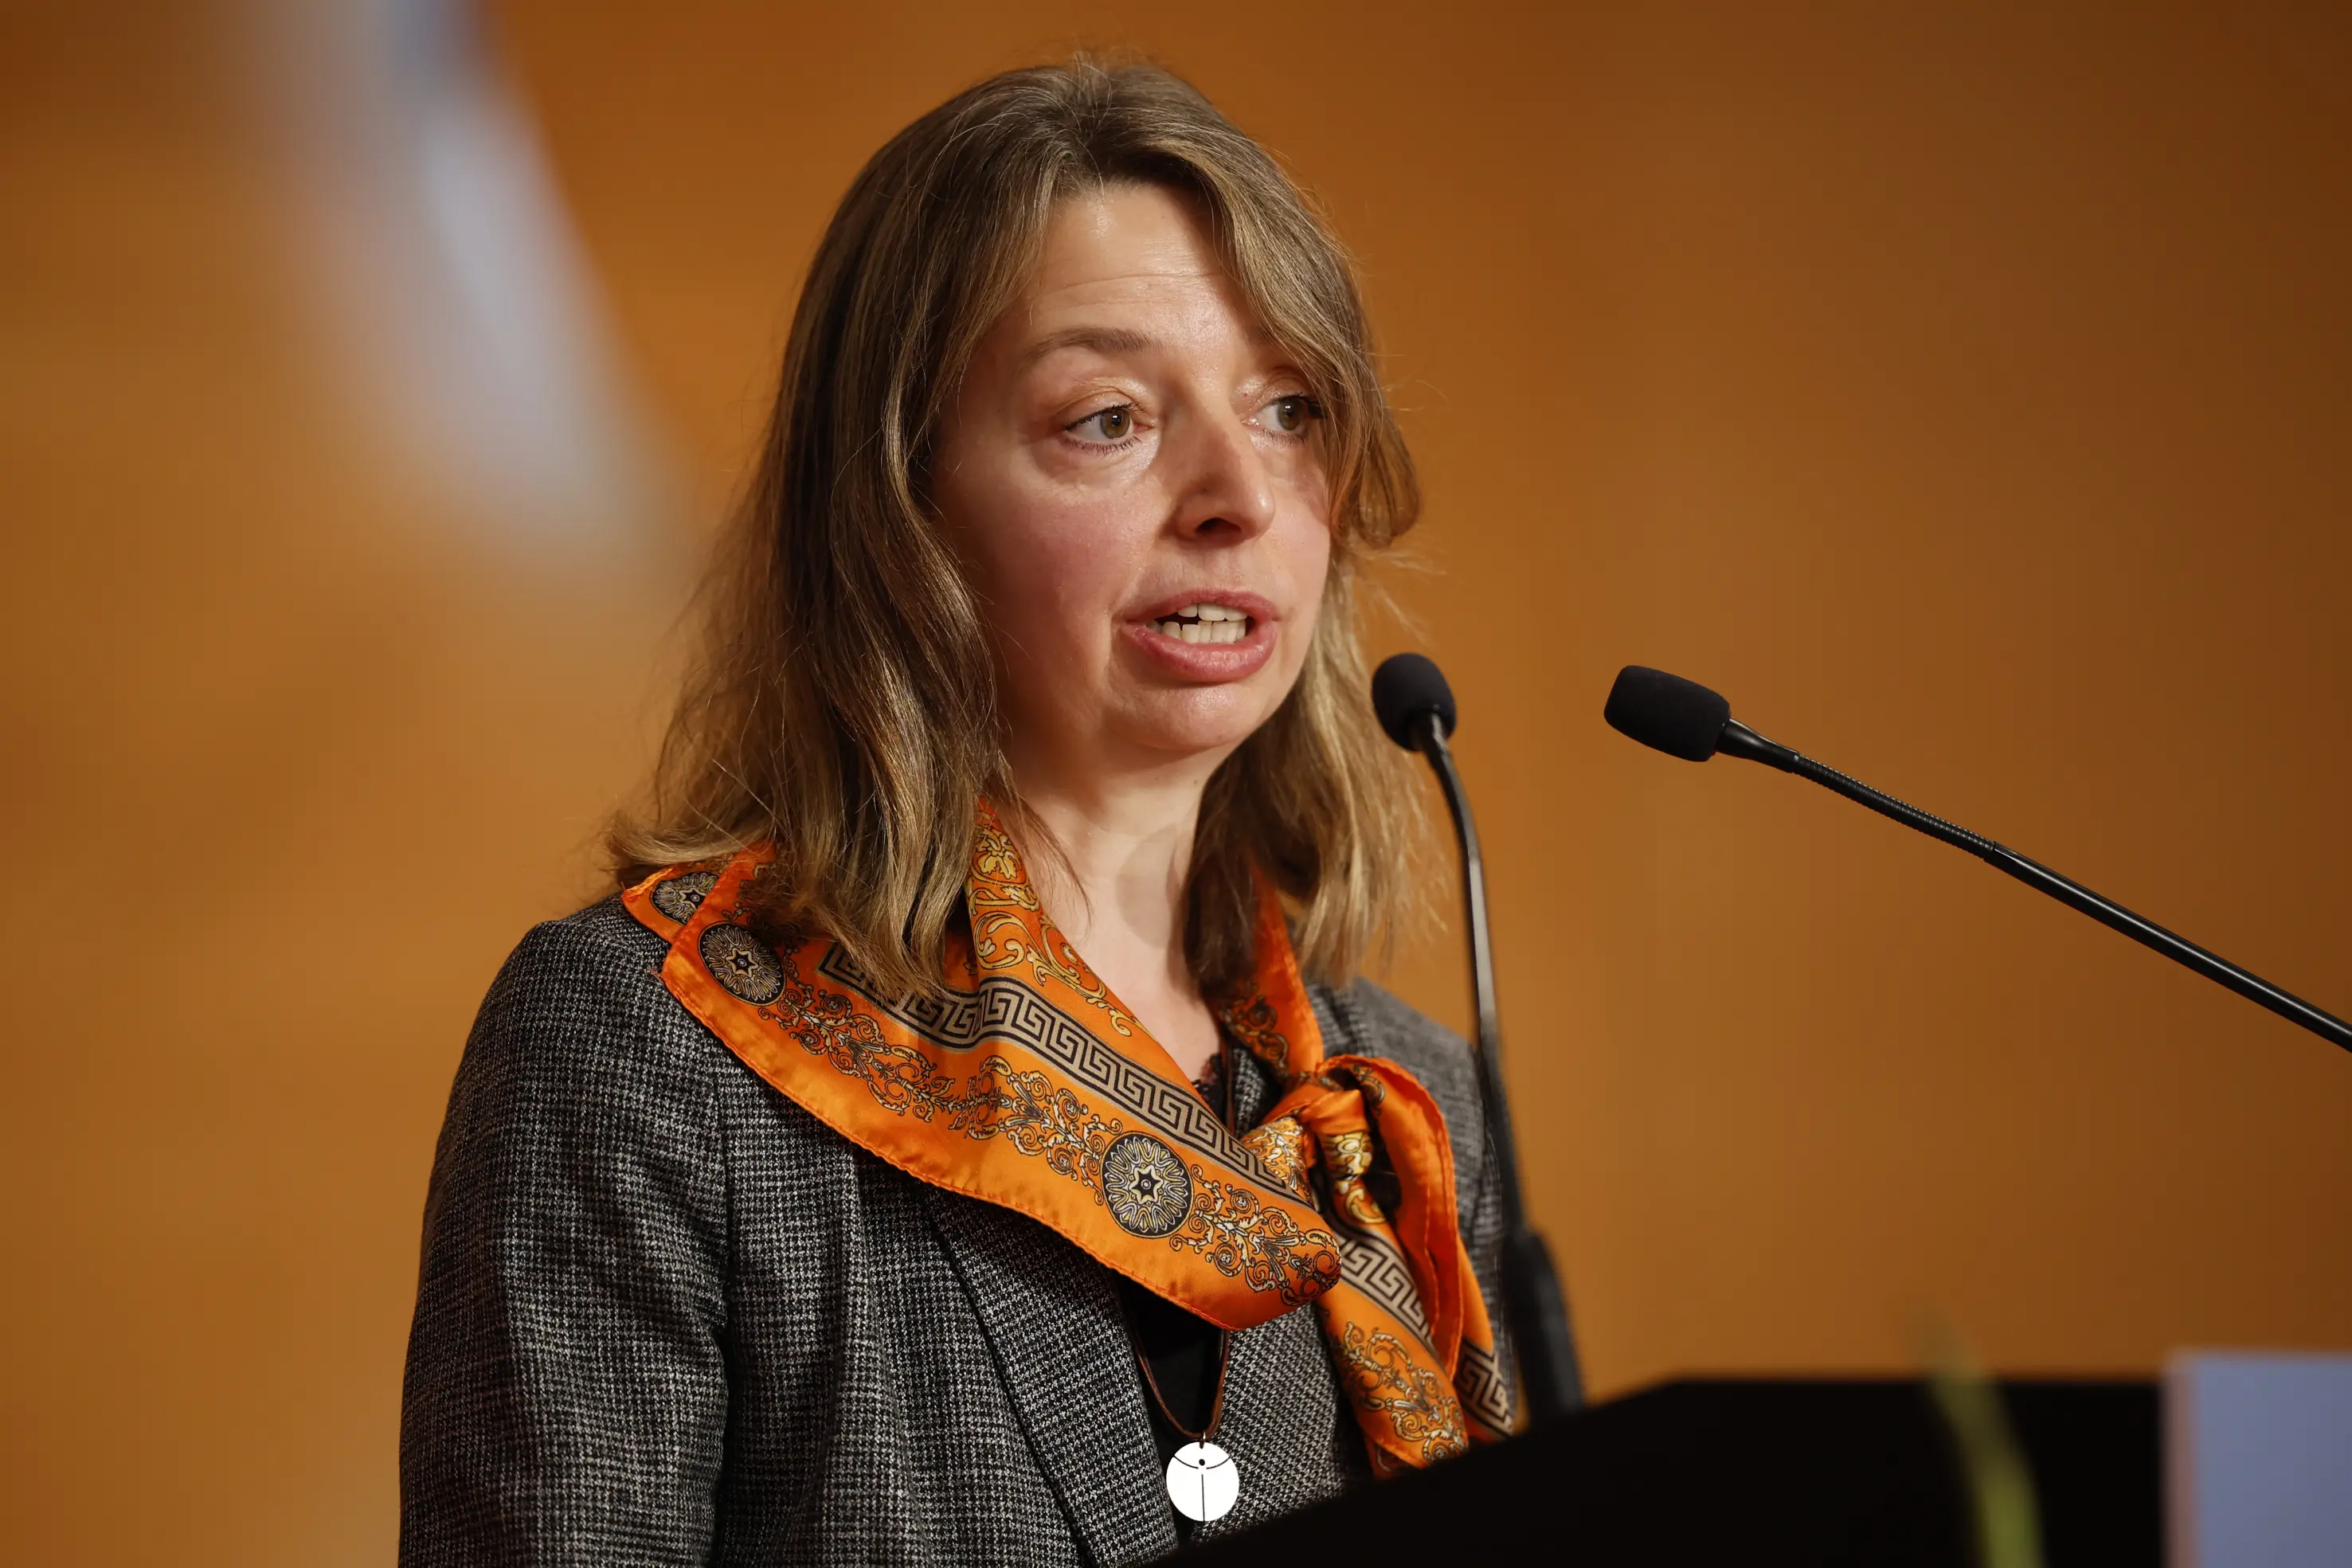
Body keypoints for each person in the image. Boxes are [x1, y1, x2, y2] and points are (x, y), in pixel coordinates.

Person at [400, 57, 1516, 1566]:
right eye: (1109, 417)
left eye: (1290, 407)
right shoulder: (643, 1053)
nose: (1237, 493)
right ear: (900, 506)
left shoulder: (1407, 1116)